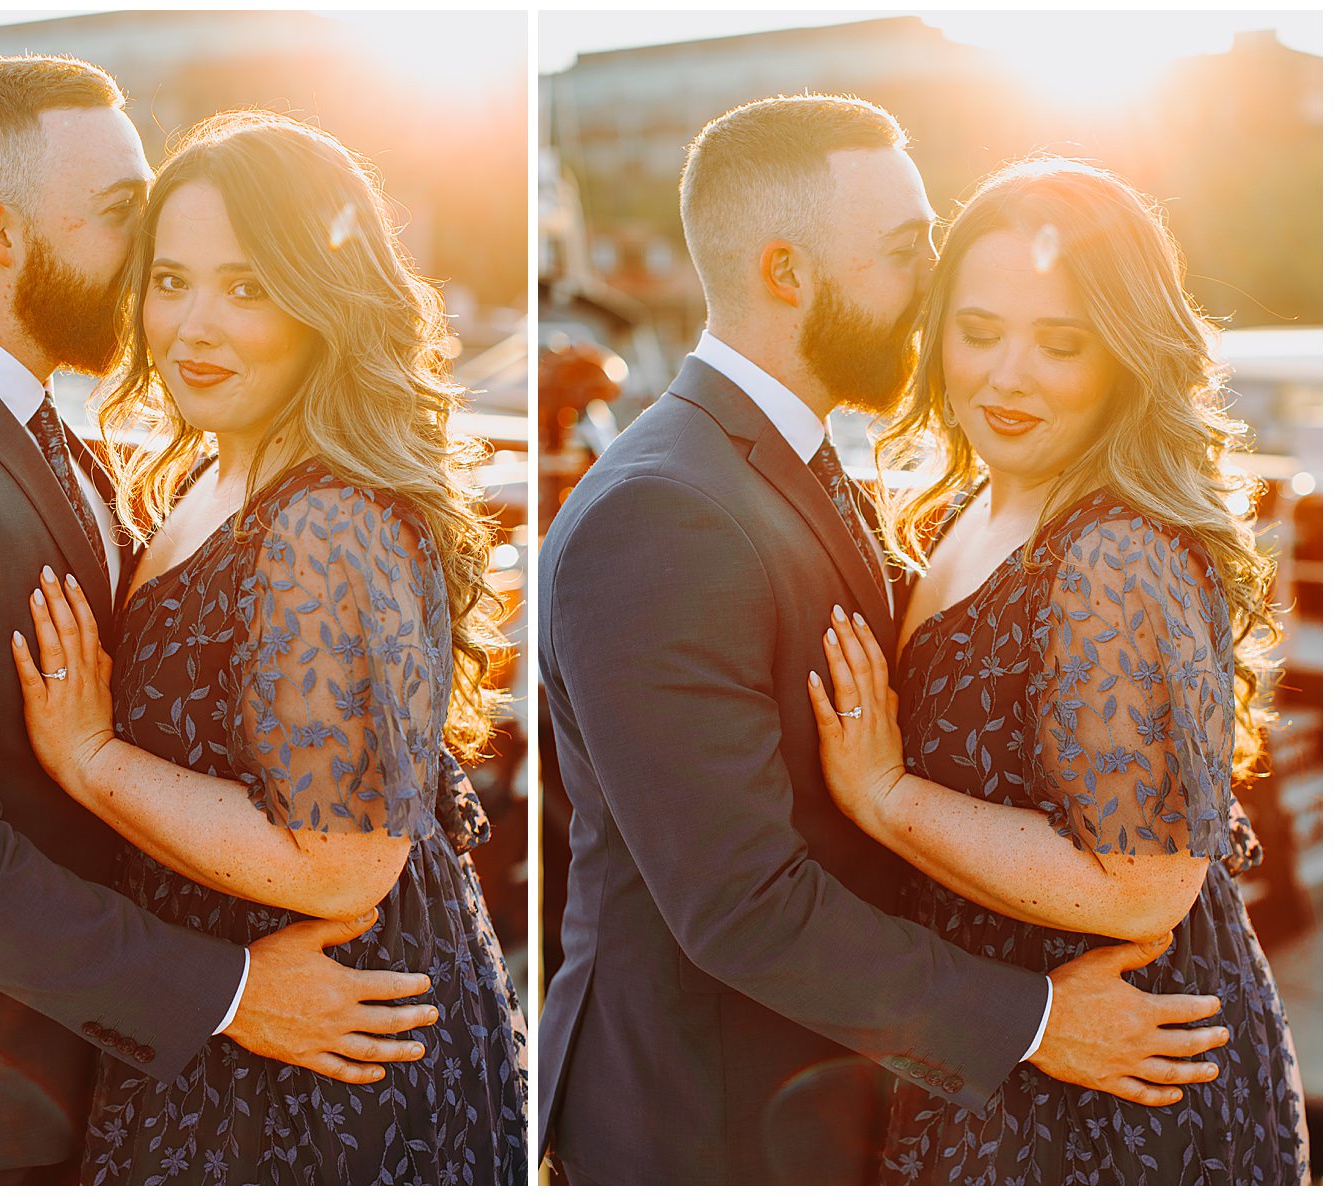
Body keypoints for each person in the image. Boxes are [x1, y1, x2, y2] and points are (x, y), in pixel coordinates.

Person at [0, 55, 437, 1185]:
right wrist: (234, 992)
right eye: (124, 215)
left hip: (79, 1065)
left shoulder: (56, 435)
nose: (153, 251)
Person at [537, 95, 1232, 1186]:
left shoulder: (782, 459)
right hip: (711, 1121)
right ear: (786, 272)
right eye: (909, 254)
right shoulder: (663, 508)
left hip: (862, 1094)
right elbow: (739, 901)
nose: (934, 289)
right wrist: (1037, 1018)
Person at [7, 109, 528, 1185]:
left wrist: (93, 760)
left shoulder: (325, 519)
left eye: (248, 287)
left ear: (325, 305)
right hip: (241, 1017)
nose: (193, 326)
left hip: (326, 1063)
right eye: (171, 280)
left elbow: (341, 861)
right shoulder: (211, 473)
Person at [808, 156, 1309, 1184]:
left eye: (1061, 343)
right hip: (1010, 1050)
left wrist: (884, 793)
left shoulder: (1112, 552)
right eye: (979, 332)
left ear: (1125, 355)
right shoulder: (963, 509)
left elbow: (1141, 887)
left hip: (1126, 1085)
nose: (1007, 375)